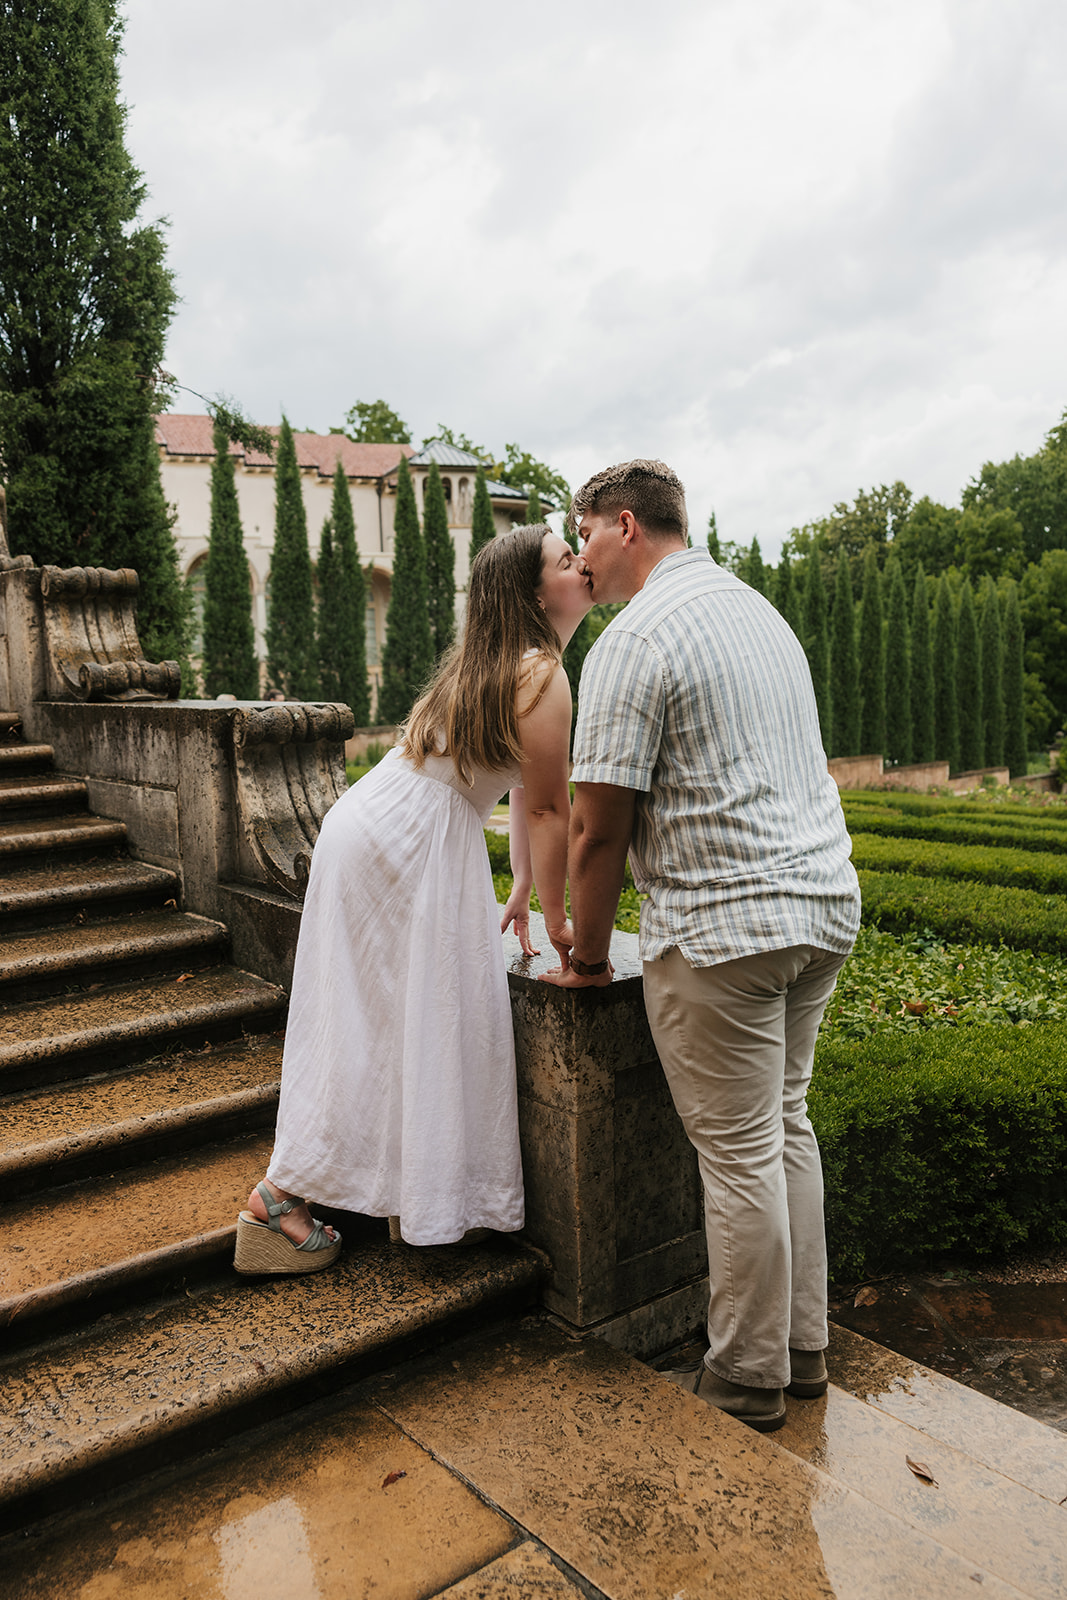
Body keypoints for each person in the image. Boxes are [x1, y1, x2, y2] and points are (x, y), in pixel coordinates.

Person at [542, 461, 860, 1433]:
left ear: (623, 525)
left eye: (581, 532)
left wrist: (587, 959)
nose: (578, 553)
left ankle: (744, 1379)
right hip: (821, 907)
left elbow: (597, 829)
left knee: (734, 1158)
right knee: (784, 1126)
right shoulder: (754, 611)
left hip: (724, 927)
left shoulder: (635, 636)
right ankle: (801, 1350)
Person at [235, 524, 592, 1273]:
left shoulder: (505, 665)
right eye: (567, 560)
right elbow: (548, 809)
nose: (583, 565)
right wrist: (562, 920)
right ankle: (280, 1196)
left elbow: (524, 790)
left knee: (379, 1019)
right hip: (406, 840)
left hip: (386, 825)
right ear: (534, 593)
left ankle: (390, 1193)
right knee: (398, 1018)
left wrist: (524, 885)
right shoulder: (541, 674)